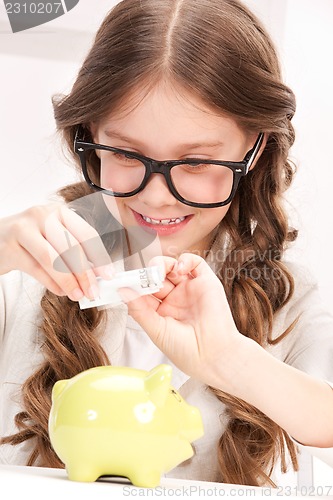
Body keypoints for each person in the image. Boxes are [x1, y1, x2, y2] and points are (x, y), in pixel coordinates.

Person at [1, 0, 333, 488]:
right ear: (89, 133)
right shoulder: (24, 270)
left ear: (255, 148)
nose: (156, 196)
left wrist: (228, 358)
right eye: (125, 153)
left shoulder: (290, 298)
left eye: (196, 162)